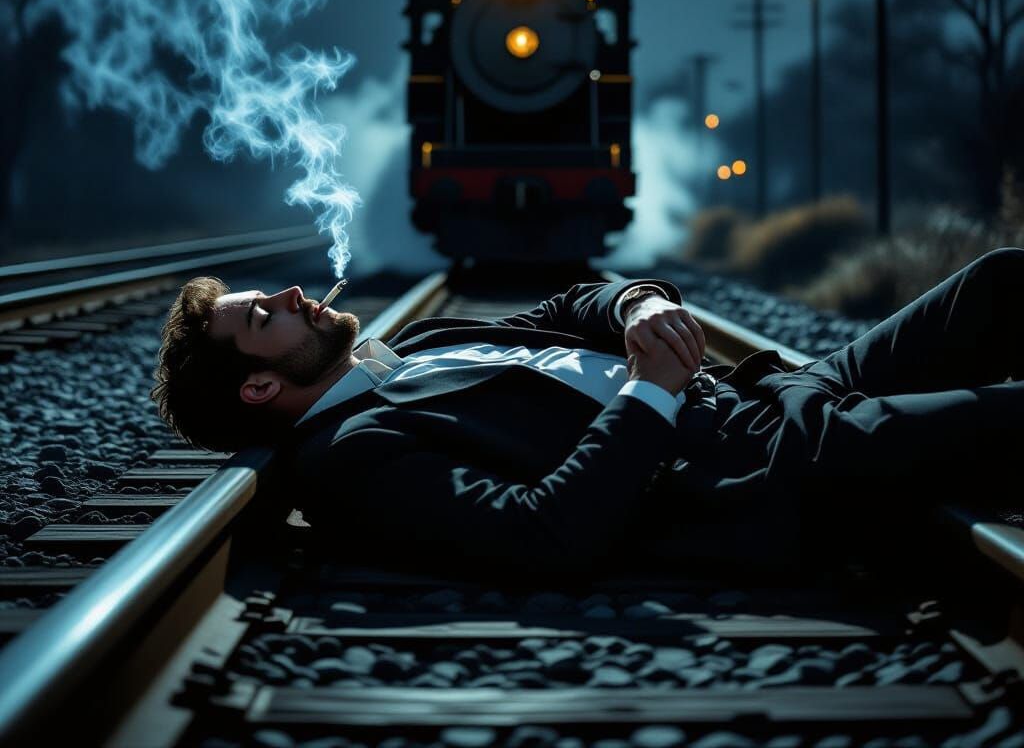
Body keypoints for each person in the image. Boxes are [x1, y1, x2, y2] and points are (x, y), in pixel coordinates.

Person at [151, 250, 1023, 578]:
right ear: (259, 391)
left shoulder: (415, 342)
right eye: (262, 316)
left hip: (774, 390)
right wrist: (650, 393)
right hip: (756, 467)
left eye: (265, 295)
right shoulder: (352, 455)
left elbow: (575, 300)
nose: (290, 295)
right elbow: (544, 531)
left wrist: (639, 307)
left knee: (1000, 283)